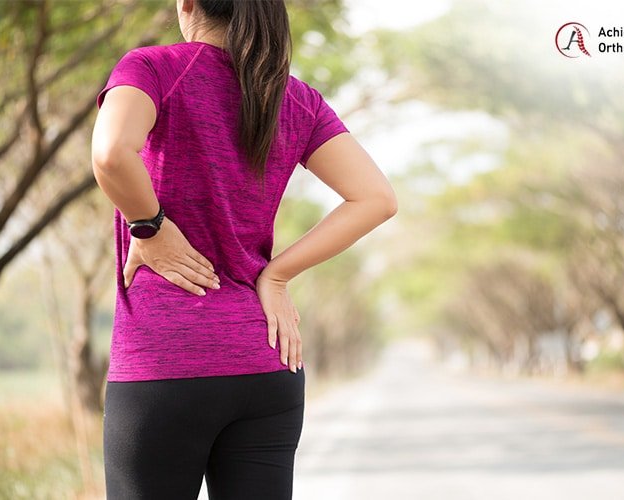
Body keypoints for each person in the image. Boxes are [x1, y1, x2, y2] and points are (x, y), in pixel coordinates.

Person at [90, 0, 397, 498]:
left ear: (188, 4)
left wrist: (151, 227)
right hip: (266, 361)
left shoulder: (152, 68)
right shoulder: (296, 100)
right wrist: (275, 275)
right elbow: (376, 199)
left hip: (167, 359)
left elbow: (109, 152)